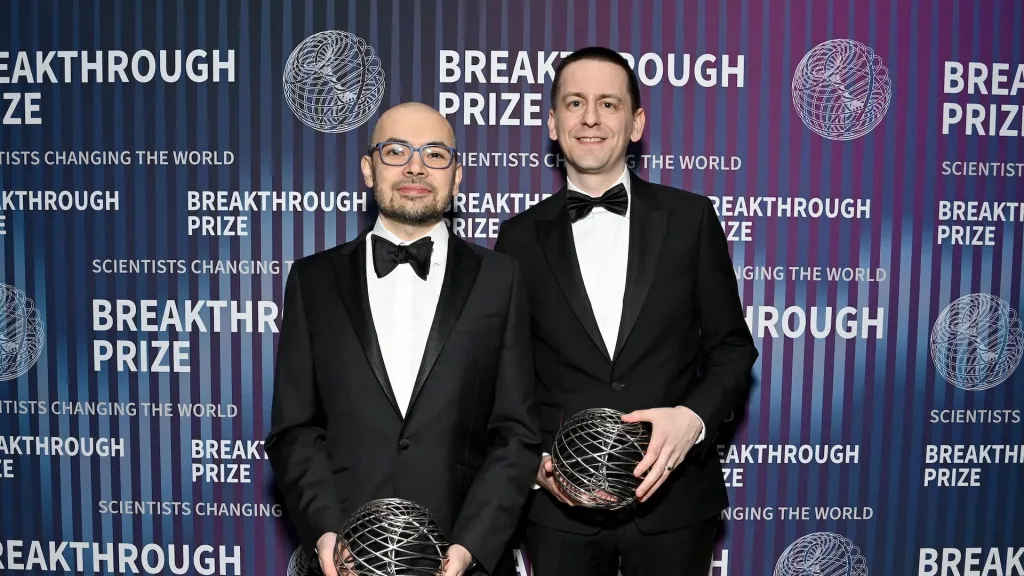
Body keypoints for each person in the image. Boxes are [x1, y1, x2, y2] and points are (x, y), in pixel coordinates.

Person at [495, 47, 758, 576]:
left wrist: (691, 420)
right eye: (575, 103)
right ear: (552, 123)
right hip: (561, 511)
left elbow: (732, 349)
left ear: (636, 124)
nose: (590, 118)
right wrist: (537, 463)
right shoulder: (517, 238)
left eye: (608, 103)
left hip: (675, 504)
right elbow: (508, 374)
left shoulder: (690, 219)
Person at [266, 102, 540, 576]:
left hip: (463, 559)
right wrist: (326, 533)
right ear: (368, 169)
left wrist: (469, 547)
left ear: (457, 176)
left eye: (435, 154)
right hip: (346, 561)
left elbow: (516, 433)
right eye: (396, 151)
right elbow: (294, 429)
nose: (416, 167)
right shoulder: (313, 281)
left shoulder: (502, 278)